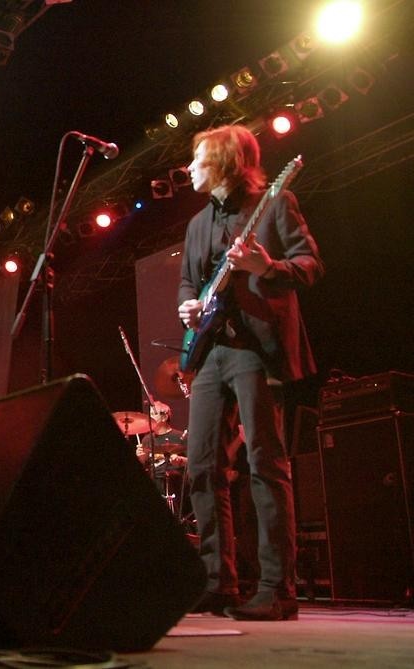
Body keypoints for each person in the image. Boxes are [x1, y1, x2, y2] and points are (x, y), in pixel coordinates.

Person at [178, 124, 323, 621]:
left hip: (257, 350)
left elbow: (309, 266)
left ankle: (276, 589)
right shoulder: (197, 224)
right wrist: (188, 308)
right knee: (201, 467)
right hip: (211, 352)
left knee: (265, 462)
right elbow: (186, 284)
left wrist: (266, 268)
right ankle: (219, 583)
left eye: (197, 159)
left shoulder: (275, 204)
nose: (189, 168)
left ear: (223, 161)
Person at [135, 401, 189, 513]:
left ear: (164, 417)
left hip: (175, 483)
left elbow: (193, 462)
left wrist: (180, 460)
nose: (150, 418)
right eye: (149, 414)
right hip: (154, 482)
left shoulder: (180, 437)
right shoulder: (146, 440)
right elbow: (143, 466)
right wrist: (139, 458)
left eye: (153, 414)